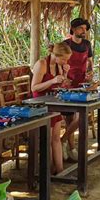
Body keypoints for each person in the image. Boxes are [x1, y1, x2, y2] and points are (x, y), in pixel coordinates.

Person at [31, 42, 72, 174]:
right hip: (41, 105)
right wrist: (52, 81)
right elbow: (34, 88)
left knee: (56, 138)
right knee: (47, 139)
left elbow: (62, 86)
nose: (66, 61)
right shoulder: (41, 64)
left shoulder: (59, 66)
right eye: (64, 58)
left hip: (54, 103)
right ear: (56, 55)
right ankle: (47, 171)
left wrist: (65, 75)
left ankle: (60, 170)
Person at [62, 18, 94, 162]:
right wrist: (62, 78)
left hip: (82, 84)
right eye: (81, 28)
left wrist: (90, 73)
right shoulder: (65, 44)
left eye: (85, 29)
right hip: (67, 85)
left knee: (82, 116)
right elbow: (58, 63)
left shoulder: (87, 44)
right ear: (73, 29)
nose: (84, 31)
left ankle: (63, 141)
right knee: (69, 118)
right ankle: (71, 148)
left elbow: (90, 63)